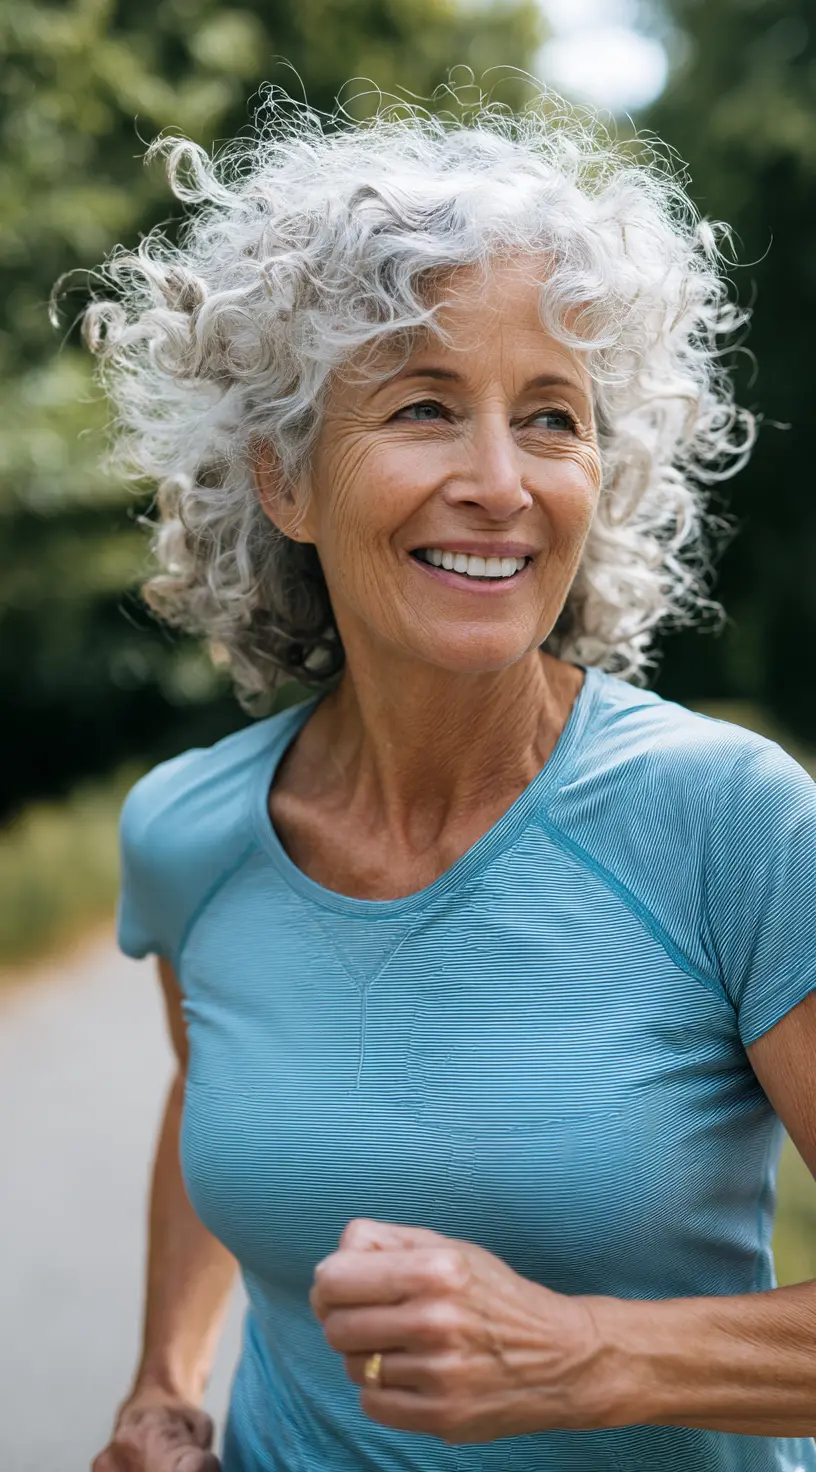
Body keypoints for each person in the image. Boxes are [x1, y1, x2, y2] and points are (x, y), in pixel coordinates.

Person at [82, 86, 816, 1472]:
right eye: (424, 407)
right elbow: (215, 1096)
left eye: (552, 418)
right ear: (285, 479)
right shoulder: (187, 834)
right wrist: (164, 1389)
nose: (500, 480)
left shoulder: (731, 823)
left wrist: (586, 1357)